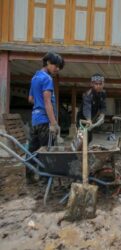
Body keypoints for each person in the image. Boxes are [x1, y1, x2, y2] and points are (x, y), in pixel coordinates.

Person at [27, 52, 65, 183]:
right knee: (47, 151)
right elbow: (47, 101)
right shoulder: (47, 79)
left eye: (59, 66)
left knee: (32, 149)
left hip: (35, 120)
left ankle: (30, 178)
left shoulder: (35, 77)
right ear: (48, 62)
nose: (57, 69)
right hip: (44, 121)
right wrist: (54, 123)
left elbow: (31, 99)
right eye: (56, 65)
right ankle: (45, 180)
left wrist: (39, 104)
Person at [76, 73, 106, 143]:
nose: (98, 86)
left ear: (103, 84)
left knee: (89, 138)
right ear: (92, 84)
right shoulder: (87, 94)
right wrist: (88, 119)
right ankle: (78, 152)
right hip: (82, 119)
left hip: (91, 119)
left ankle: (85, 151)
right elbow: (87, 108)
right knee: (81, 139)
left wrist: (102, 115)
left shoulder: (103, 93)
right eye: (96, 84)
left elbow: (103, 106)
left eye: (100, 84)